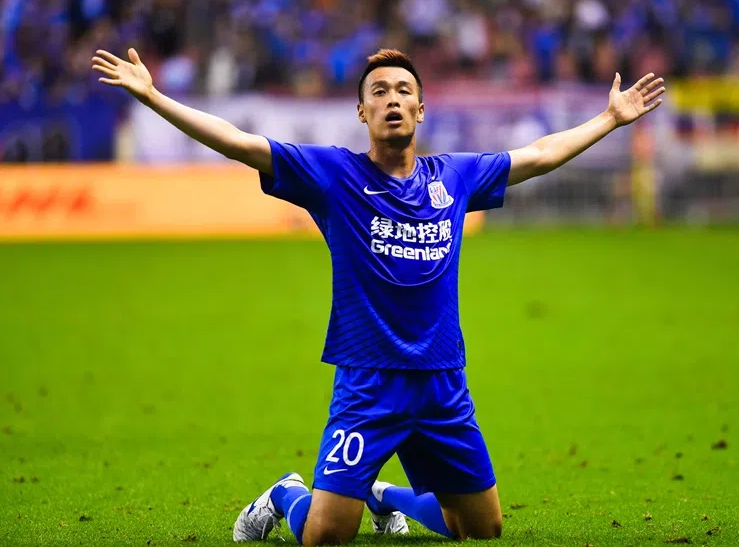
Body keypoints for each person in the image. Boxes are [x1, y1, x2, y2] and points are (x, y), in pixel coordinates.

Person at [91, 47, 665, 545]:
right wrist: (155, 98)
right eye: (380, 92)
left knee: (480, 530)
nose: (393, 99)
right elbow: (241, 143)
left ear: (421, 109)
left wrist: (610, 119)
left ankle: (385, 495)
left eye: (404, 91)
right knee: (324, 535)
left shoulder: (455, 177)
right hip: (369, 382)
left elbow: (538, 156)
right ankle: (285, 494)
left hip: (443, 382)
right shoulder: (332, 176)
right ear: (362, 112)